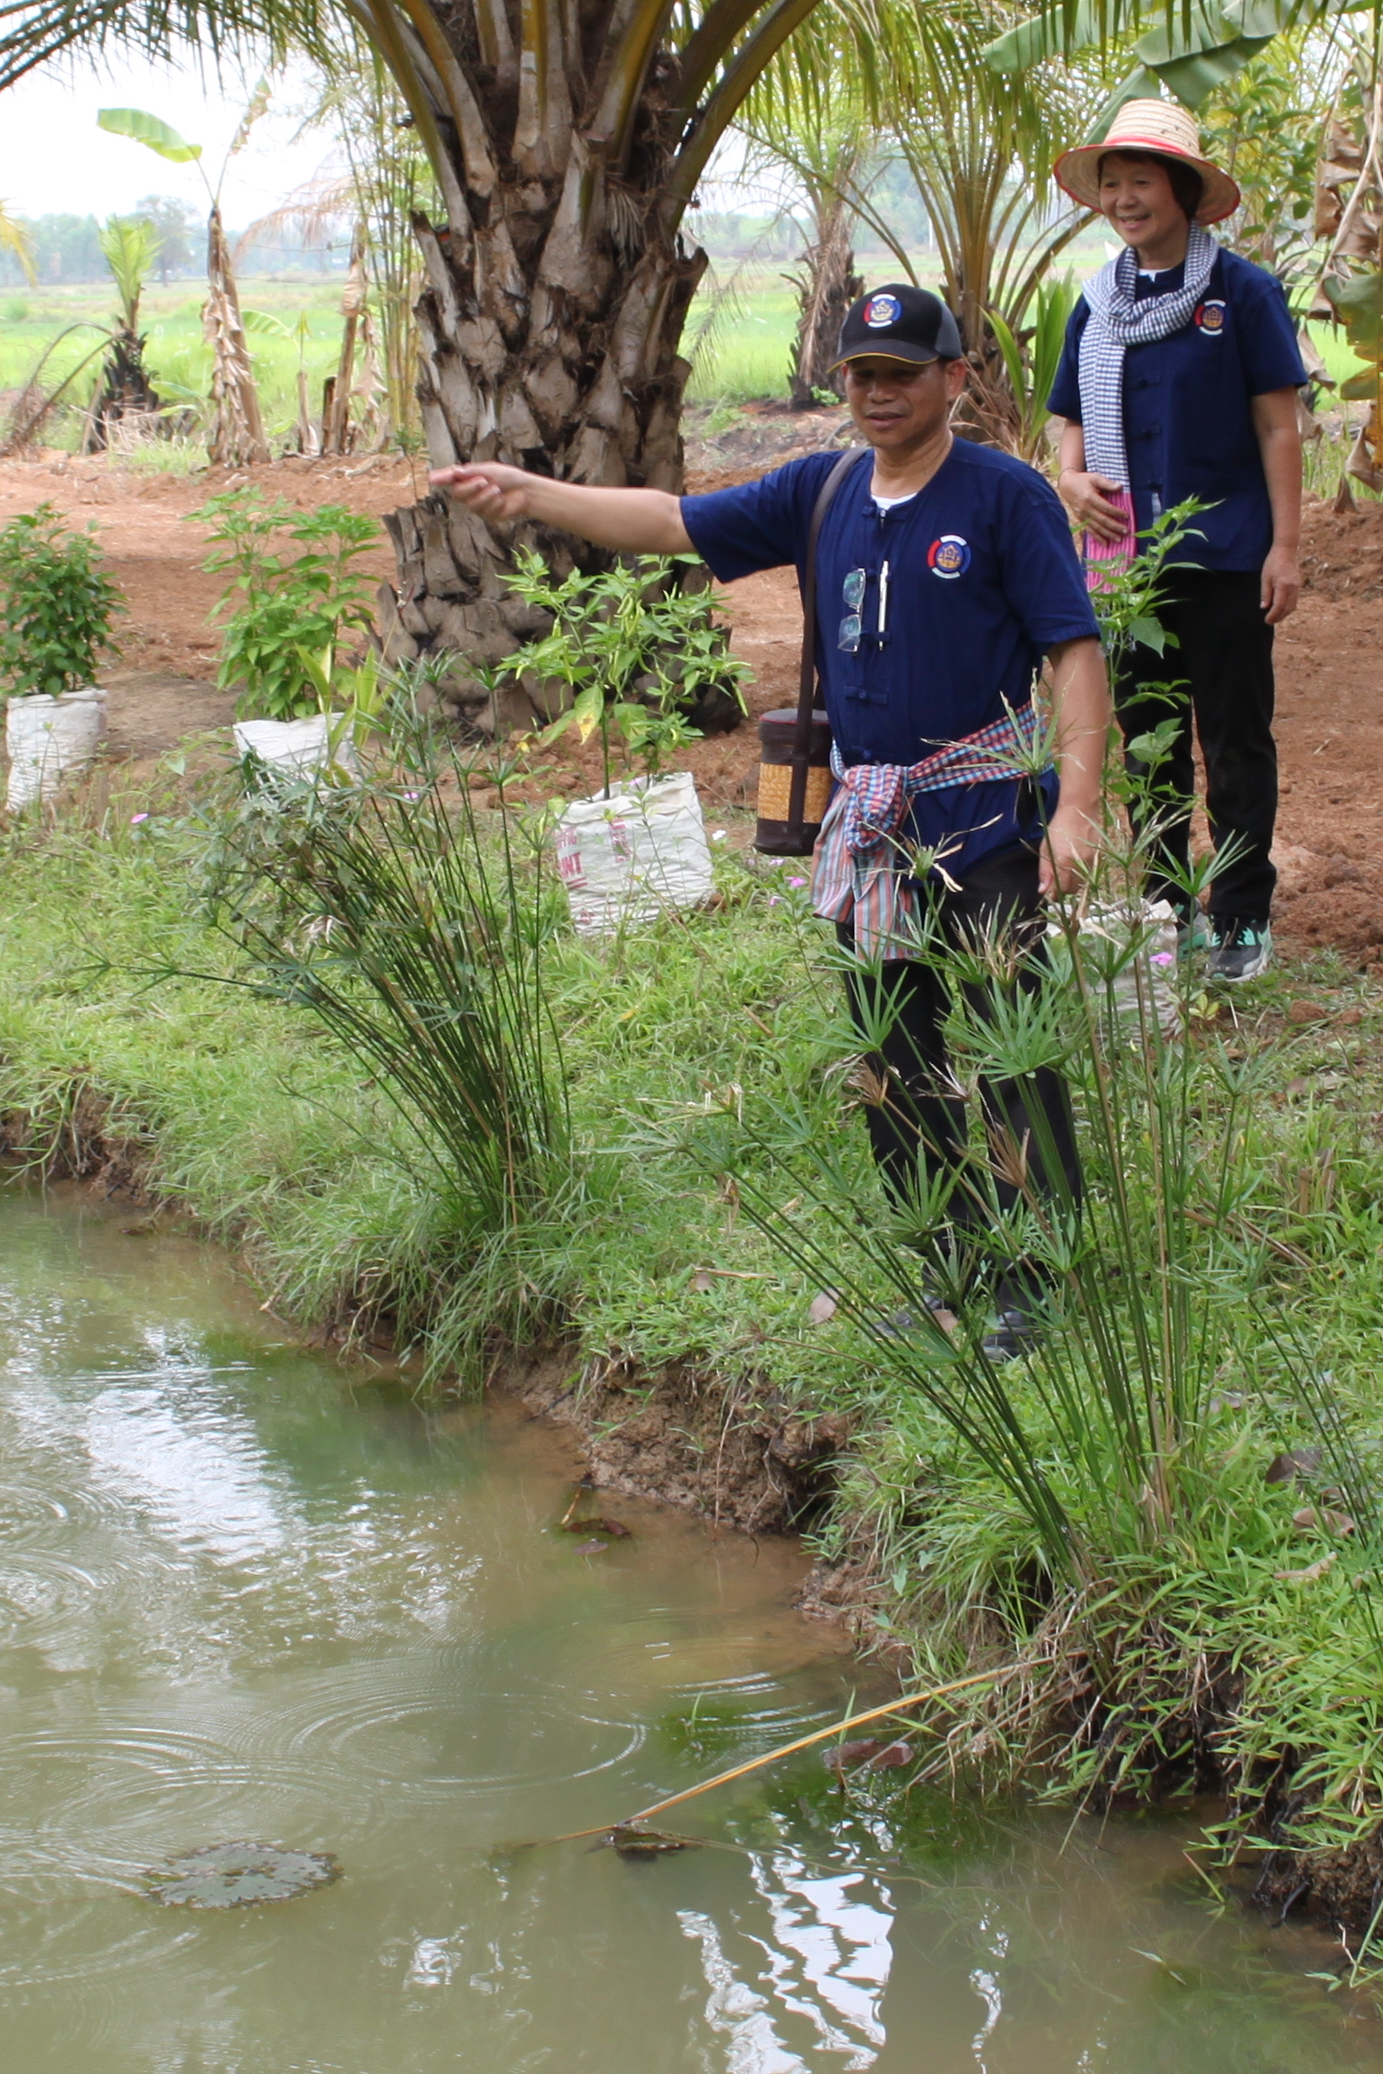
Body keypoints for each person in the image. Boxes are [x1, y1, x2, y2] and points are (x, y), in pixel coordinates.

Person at [430, 281, 1108, 1351]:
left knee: (1011, 1047)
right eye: (861, 375)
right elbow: (667, 522)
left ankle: (1046, 1283)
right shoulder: (824, 490)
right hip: (871, 831)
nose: (879, 393)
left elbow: (1073, 648)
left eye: (901, 373)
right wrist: (534, 494)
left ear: (954, 380)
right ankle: (952, 1271)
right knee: (896, 1057)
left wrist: (1076, 806)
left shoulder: (1002, 498)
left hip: (984, 823)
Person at [1042, 92, 1318, 986]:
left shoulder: (1242, 294)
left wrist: (1286, 546)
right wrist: (1072, 479)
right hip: (1127, 569)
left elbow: (1279, 428)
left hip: (1230, 558)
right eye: (1113, 184)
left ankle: (1240, 917)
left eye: (1143, 182)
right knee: (1148, 743)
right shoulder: (1097, 305)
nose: (1125, 199)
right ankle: (1167, 910)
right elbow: (1065, 422)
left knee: (1237, 741)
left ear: (1185, 192)